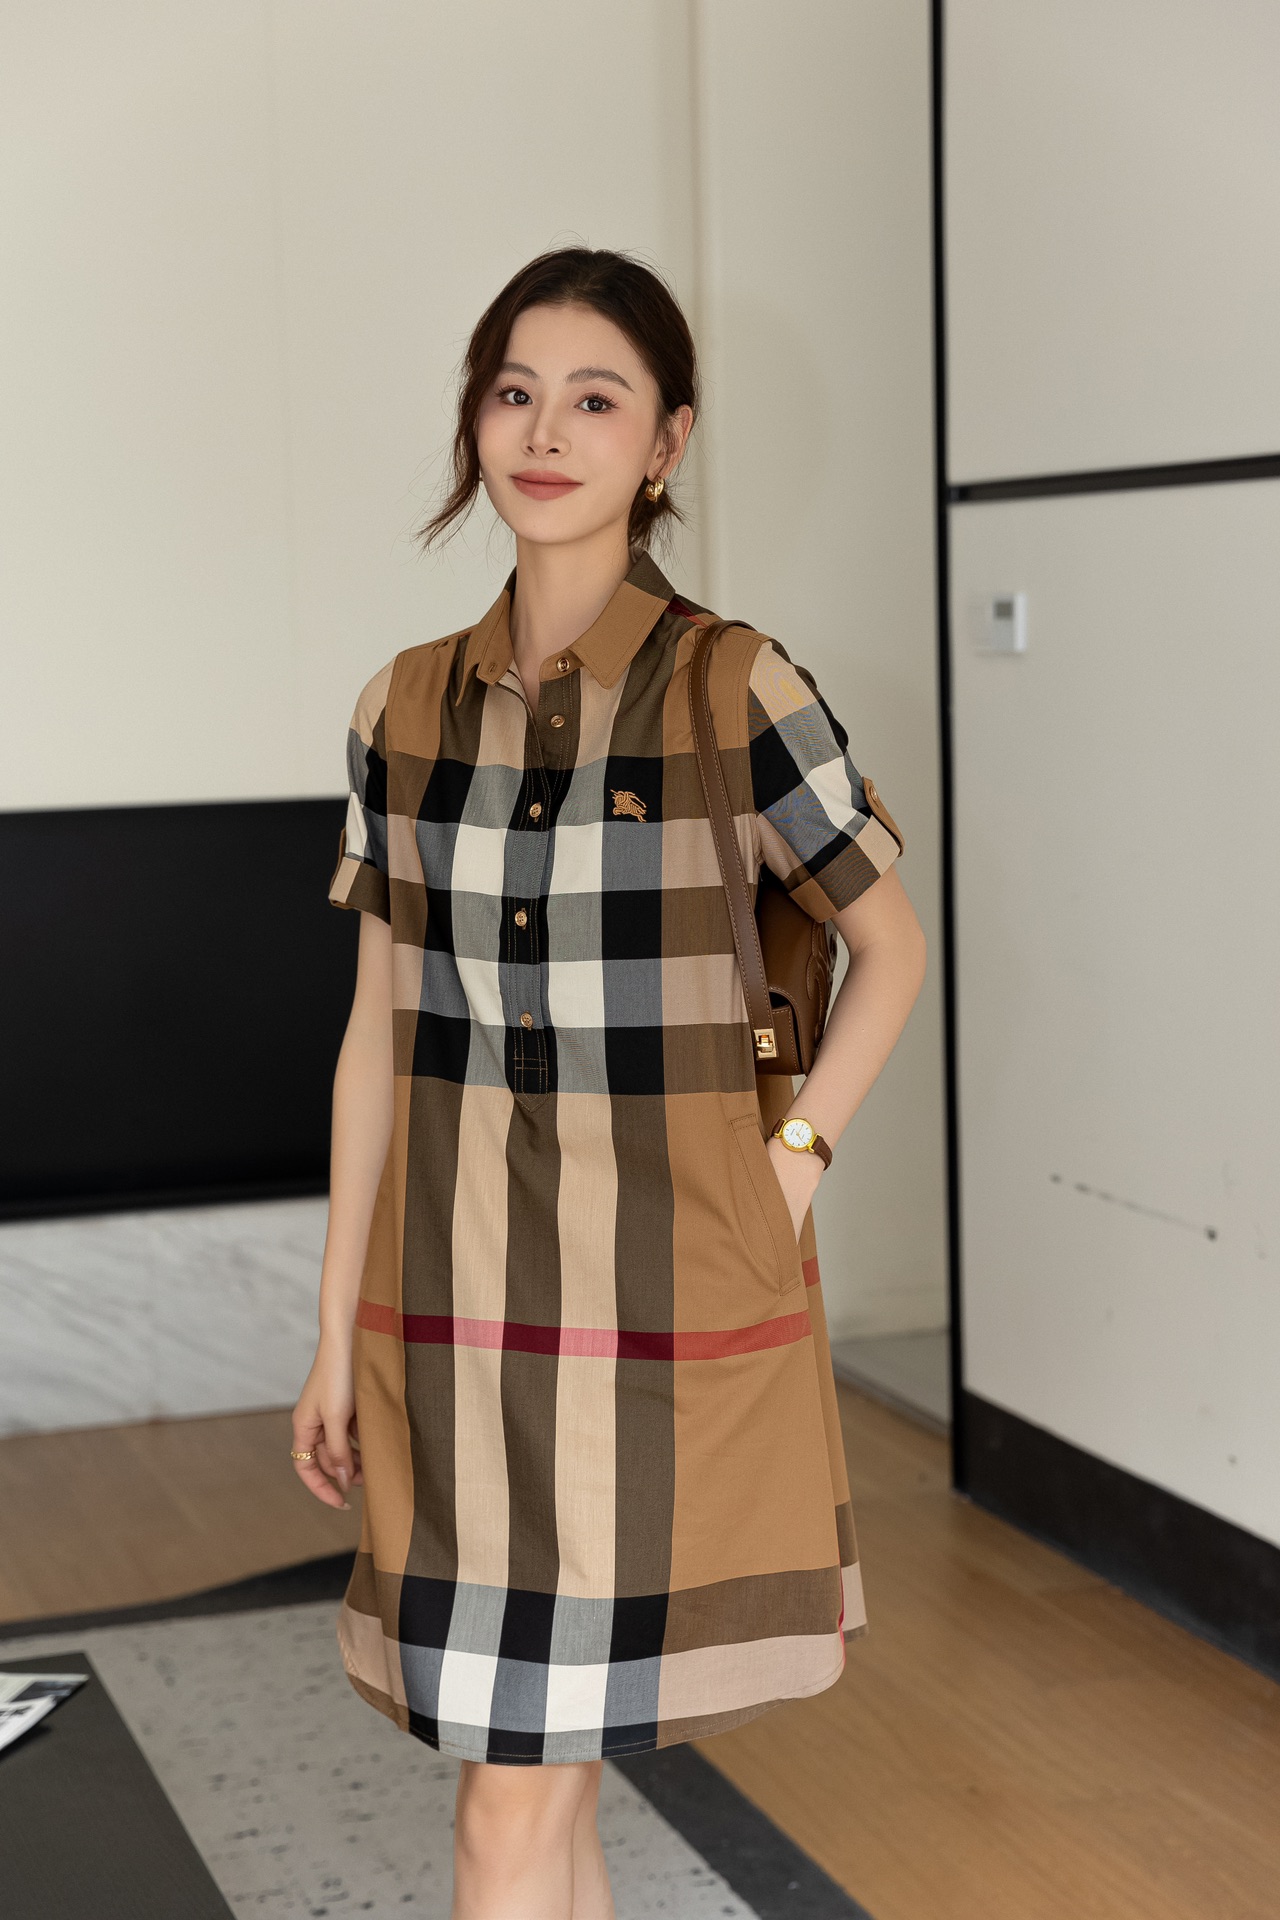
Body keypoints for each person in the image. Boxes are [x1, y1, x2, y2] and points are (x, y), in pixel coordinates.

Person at [291, 247, 927, 1920]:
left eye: (595, 398)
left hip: (658, 1308)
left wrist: (789, 1166)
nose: (546, 431)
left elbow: (892, 947)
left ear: (667, 442)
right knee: (530, 1785)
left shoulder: (738, 684)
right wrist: (334, 1323)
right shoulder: (402, 708)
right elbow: (378, 1034)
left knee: (515, 1798)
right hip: (448, 1313)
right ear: (474, 422)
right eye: (515, 393)